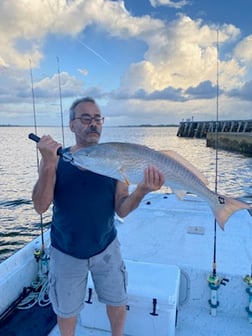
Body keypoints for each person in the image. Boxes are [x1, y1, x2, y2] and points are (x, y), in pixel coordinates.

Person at [32, 97, 165, 336]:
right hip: (66, 250)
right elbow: (41, 206)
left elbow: (121, 209)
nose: (93, 124)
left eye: (97, 119)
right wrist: (49, 164)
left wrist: (142, 189)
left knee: (117, 301)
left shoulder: (115, 161)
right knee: (66, 311)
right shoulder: (56, 160)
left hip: (106, 247)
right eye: (85, 118)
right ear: (72, 125)